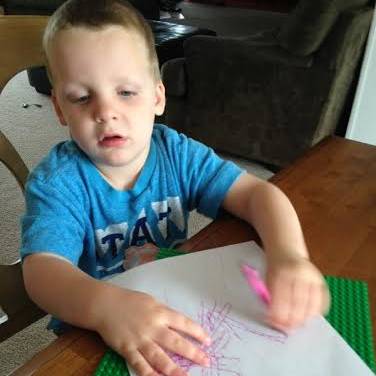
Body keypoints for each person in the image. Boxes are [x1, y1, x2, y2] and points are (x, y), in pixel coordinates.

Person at [20, 1, 330, 375]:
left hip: (174, 307)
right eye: (82, 97)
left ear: (157, 96)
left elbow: (257, 193)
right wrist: (104, 307)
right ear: (58, 108)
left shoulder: (177, 154)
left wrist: (289, 255)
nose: (105, 112)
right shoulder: (59, 182)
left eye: (126, 92)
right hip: (90, 330)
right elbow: (41, 271)